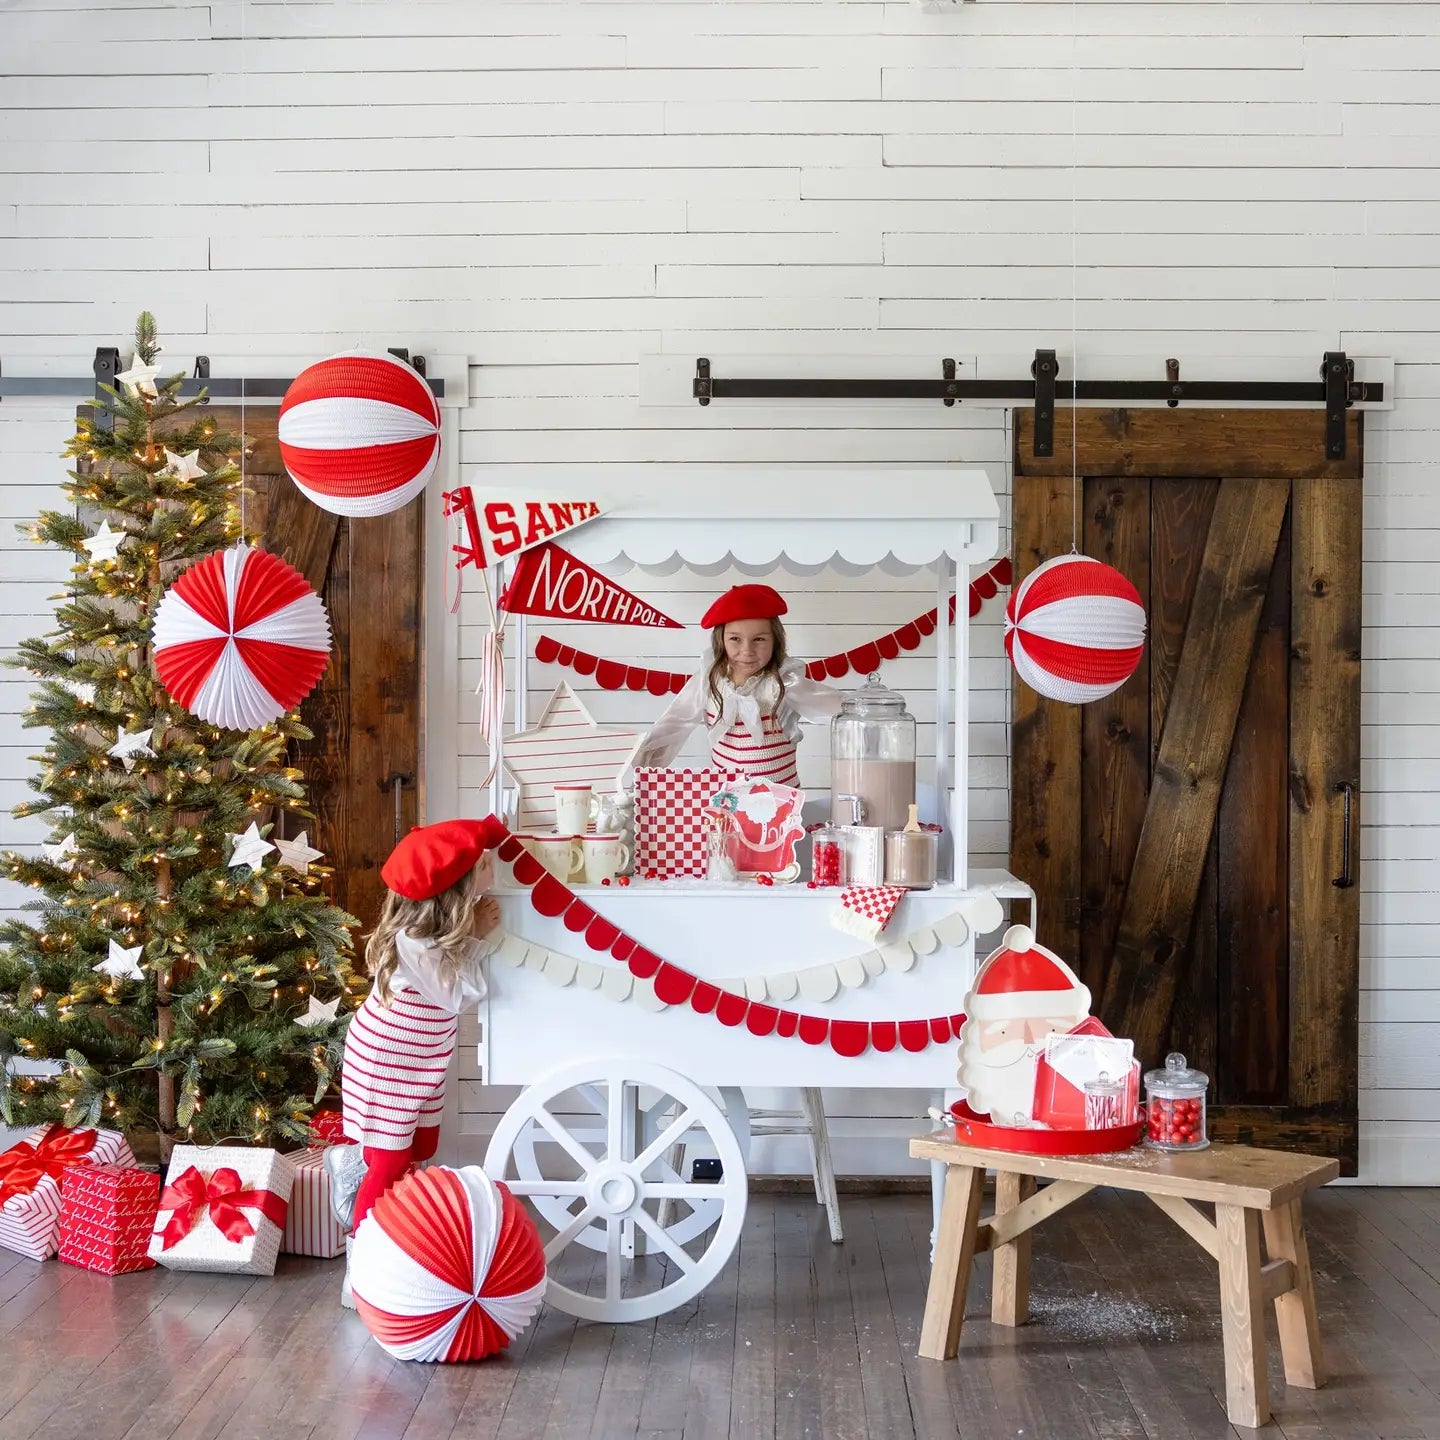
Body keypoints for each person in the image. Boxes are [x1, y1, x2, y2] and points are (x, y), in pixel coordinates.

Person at [327, 816, 507, 1233]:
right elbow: (456, 996)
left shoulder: (437, 933)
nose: (490, 869)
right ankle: (365, 1254)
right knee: (389, 1161)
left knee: (422, 1145)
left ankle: (372, 1187)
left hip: (422, 1057)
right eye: (482, 866)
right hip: (386, 1060)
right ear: (456, 889)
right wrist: (477, 936)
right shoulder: (415, 940)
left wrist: (469, 934)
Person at [632, 583, 841, 785]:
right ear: (721, 640)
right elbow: (673, 724)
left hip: (780, 804)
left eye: (759, 639)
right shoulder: (708, 681)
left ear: (775, 641)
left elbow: (840, 709)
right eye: (735, 639)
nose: (747, 650)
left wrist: (868, 711)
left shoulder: (783, 684)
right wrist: (640, 769)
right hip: (727, 803)